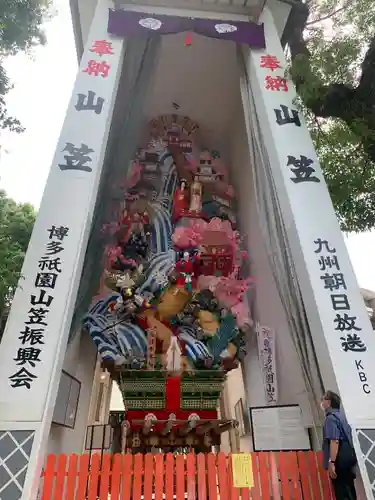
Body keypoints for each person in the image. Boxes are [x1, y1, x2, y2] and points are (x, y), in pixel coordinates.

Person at [321, 390, 357, 499]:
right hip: (350, 455)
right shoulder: (342, 417)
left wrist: (332, 462)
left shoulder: (330, 419)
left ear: (329, 402)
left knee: (341, 491)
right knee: (349, 488)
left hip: (339, 457)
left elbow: (334, 440)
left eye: (323, 399)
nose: (322, 402)